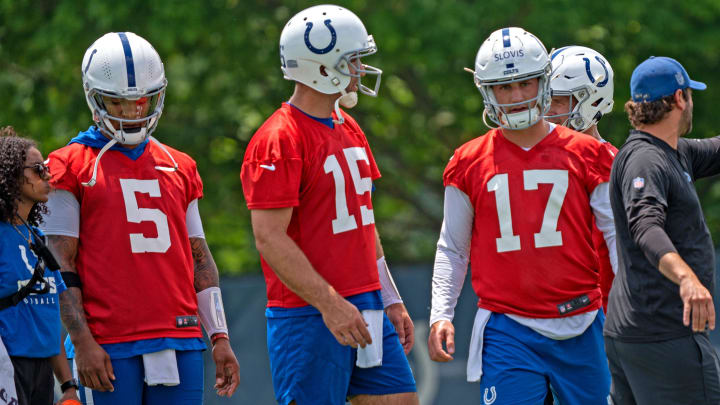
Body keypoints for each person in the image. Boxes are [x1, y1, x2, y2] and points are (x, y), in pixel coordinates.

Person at [40, 32, 239, 404]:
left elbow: (200, 258)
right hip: (109, 344)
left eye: (142, 100)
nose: (133, 112)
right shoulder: (68, 165)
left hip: (179, 337)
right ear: (95, 97)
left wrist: (220, 336)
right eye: (118, 102)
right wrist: (81, 341)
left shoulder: (179, 165)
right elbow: (59, 264)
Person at [240, 5, 417, 405]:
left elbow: (364, 223)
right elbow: (268, 238)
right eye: (352, 60)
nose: (359, 70)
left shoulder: (348, 125)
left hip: (365, 301)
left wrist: (388, 297)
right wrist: (330, 304)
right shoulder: (279, 138)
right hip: (309, 313)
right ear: (322, 67)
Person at [428, 27, 616, 404]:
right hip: (509, 326)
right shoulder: (468, 161)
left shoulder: (589, 154)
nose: (516, 96)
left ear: (544, 81)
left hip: (582, 320)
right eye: (503, 87)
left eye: (526, 83)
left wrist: (633, 305)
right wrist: (439, 313)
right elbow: (452, 246)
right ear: (486, 90)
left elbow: (617, 239)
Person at [604, 56, 720, 404]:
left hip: (639, 335)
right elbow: (646, 226)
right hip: (662, 336)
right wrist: (687, 279)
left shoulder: (671, 152)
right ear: (680, 98)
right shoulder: (646, 159)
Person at [0, 126, 80, 404]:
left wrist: (68, 385)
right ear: (9, 174)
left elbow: (48, 318)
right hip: (6, 367)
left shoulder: (38, 238)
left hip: (42, 373)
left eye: (46, 168)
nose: (48, 175)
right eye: (37, 169)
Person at [546, 45, 618, 312]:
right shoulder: (537, 159)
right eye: (546, 99)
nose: (548, 110)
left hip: (604, 312)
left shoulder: (612, 163)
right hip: (551, 314)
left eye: (559, 100)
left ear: (593, 100)